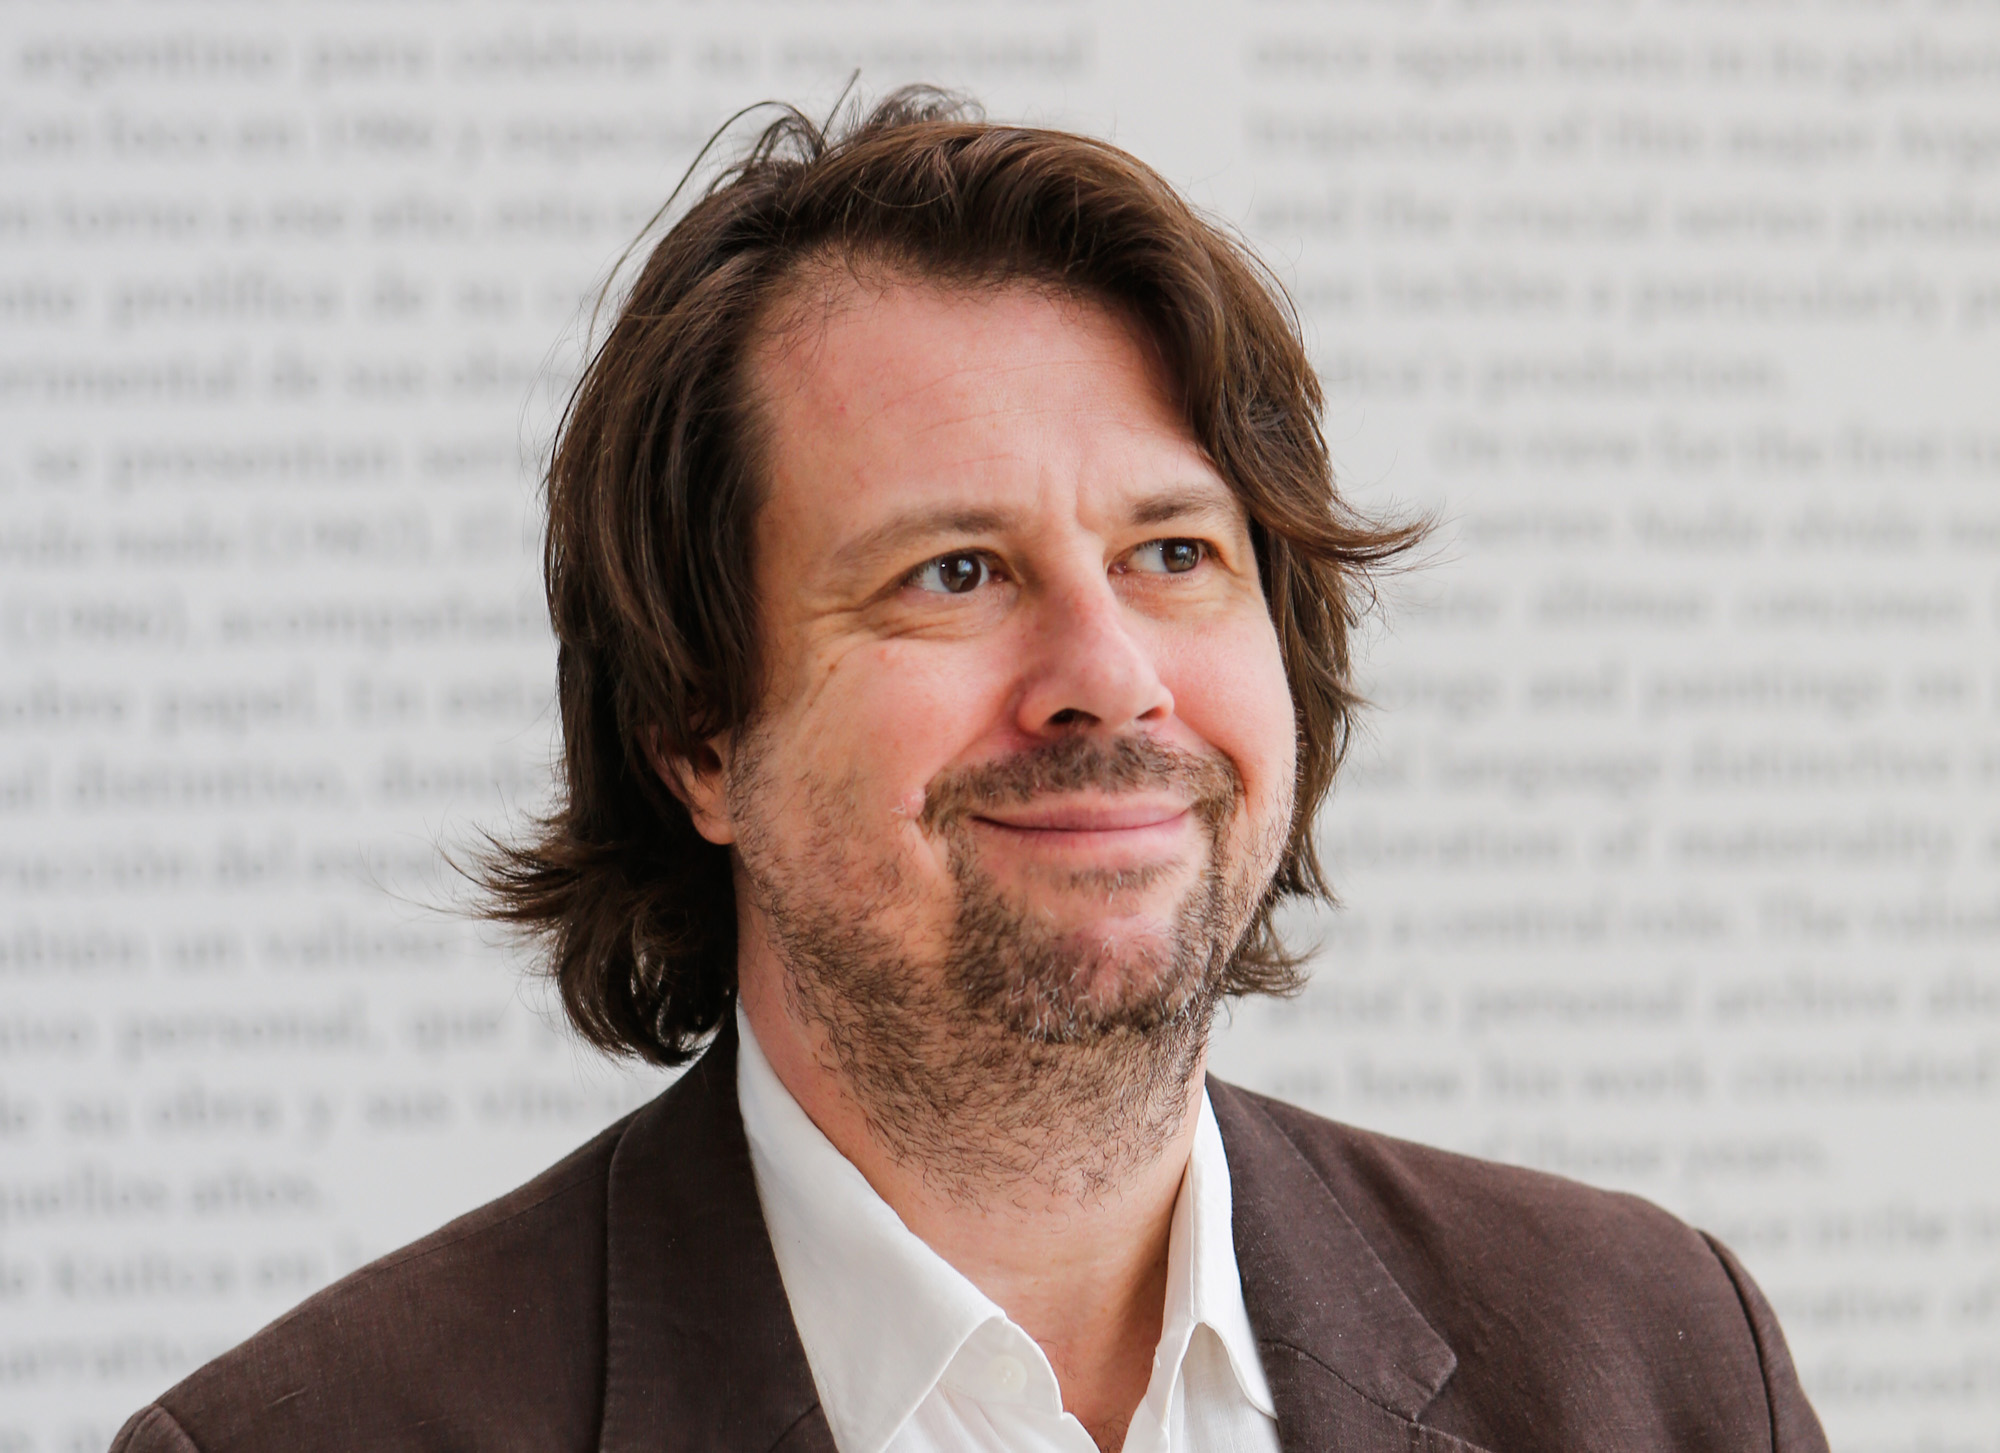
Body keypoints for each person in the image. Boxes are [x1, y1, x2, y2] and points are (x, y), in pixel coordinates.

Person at [113, 90, 1828, 1453]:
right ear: (700, 733)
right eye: (955, 573)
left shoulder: (1659, 1366)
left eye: (1174, 552)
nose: (1110, 676)